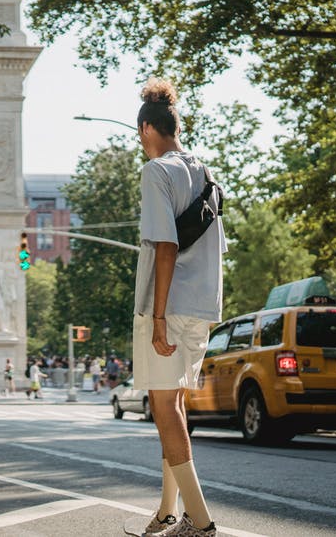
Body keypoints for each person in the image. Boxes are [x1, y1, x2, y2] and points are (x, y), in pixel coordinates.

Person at [131, 78, 226, 537]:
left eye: (139, 135)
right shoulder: (206, 173)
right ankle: (168, 513)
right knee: (175, 407)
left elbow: (165, 247)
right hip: (204, 306)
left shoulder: (157, 172)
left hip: (169, 305)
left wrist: (159, 318)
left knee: (164, 408)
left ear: (148, 128)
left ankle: (201, 523)